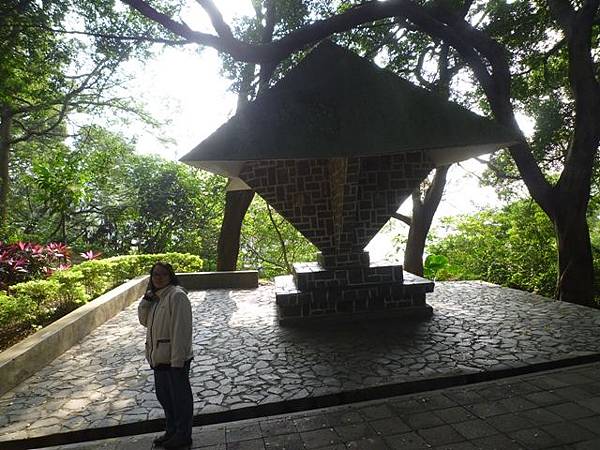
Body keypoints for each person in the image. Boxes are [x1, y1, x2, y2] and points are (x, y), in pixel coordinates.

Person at [138, 262, 194, 449]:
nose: (158, 277)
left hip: (173, 360)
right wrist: (146, 300)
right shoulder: (157, 298)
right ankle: (172, 431)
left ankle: (183, 435)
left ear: (170, 276)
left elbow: (181, 330)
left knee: (180, 400)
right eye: (155, 274)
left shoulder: (177, 296)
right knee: (166, 398)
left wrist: (177, 361)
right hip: (159, 358)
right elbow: (144, 321)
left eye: (163, 274)